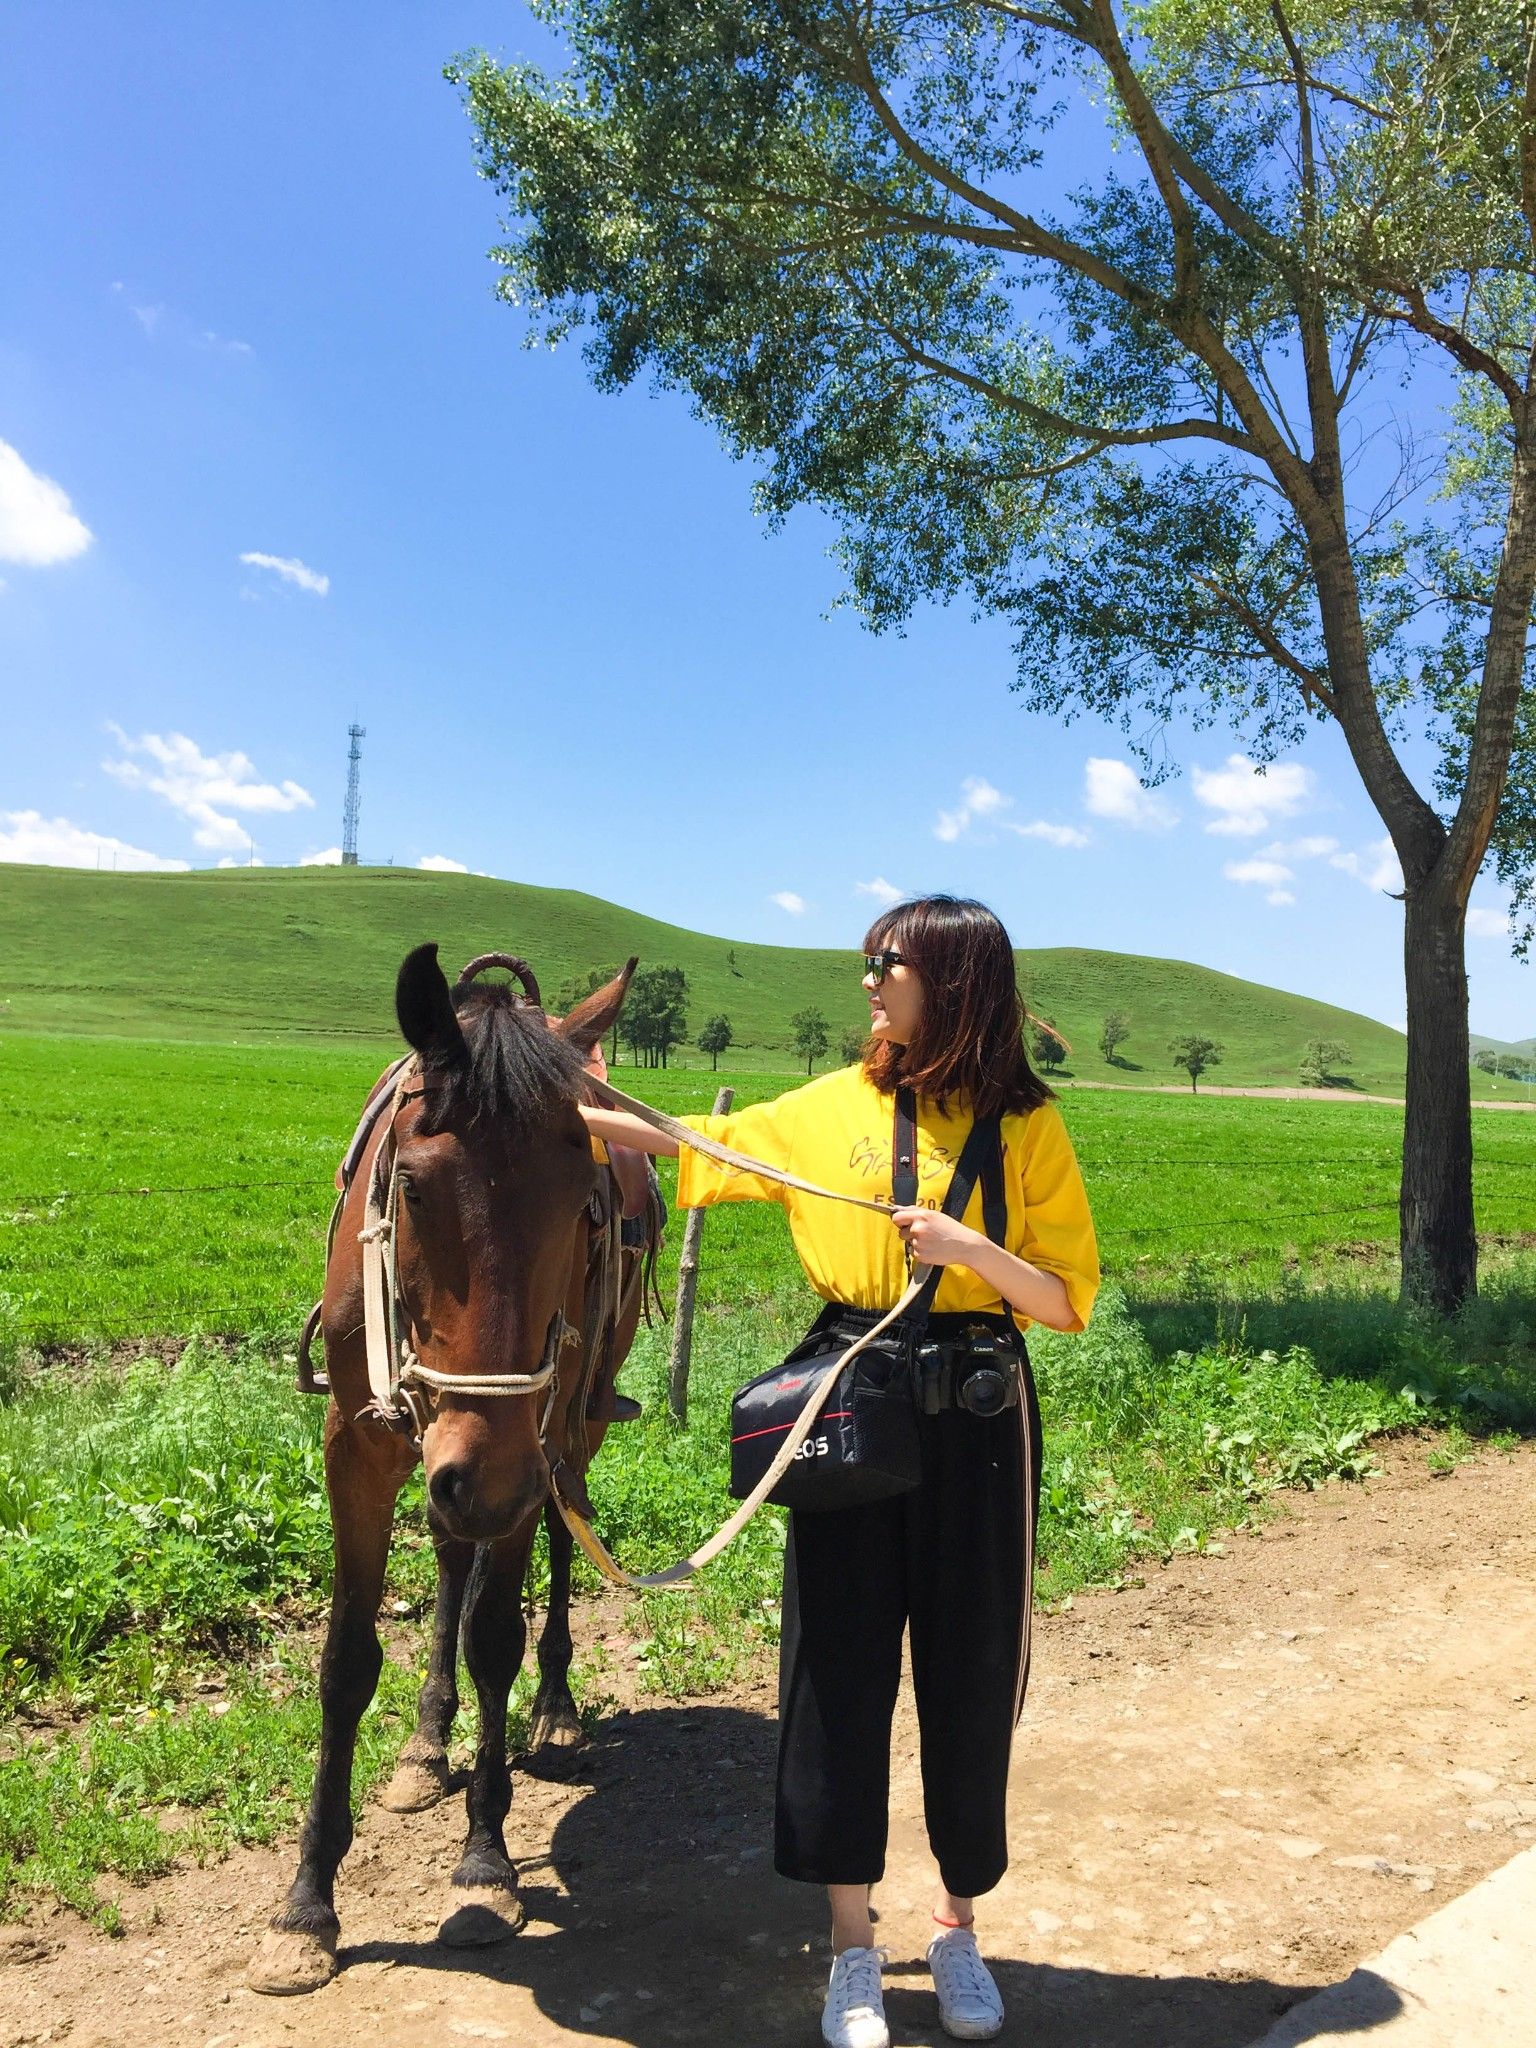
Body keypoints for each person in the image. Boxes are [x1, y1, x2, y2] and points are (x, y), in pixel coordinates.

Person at [579, 896, 1098, 2047]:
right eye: (867, 960)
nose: (867, 980)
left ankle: (958, 1928)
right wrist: (565, 1096)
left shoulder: (1027, 1124)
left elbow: (1063, 1301)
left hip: (980, 1412)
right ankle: (852, 1948)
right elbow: (688, 1145)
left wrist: (970, 1250)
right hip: (850, 1401)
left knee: (972, 1672)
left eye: (887, 962)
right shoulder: (828, 1105)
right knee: (836, 1669)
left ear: (953, 981)